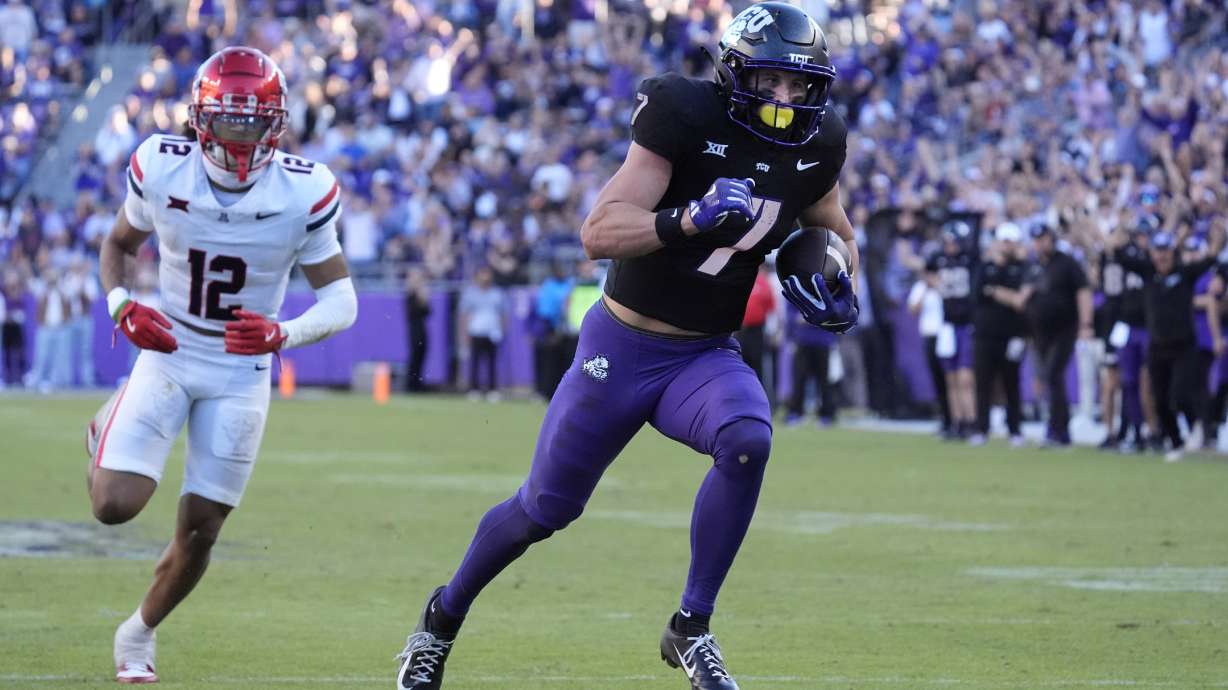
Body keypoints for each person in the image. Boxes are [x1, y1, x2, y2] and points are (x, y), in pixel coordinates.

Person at [394, 5, 860, 689]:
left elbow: (837, 232)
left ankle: (691, 627)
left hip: (703, 354)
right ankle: (440, 620)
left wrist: (841, 280)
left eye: (799, 86)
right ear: (735, 76)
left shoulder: (820, 146)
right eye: (769, 82)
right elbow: (600, 231)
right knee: (543, 510)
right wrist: (688, 219)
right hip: (621, 346)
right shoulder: (683, 113)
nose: (786, 101)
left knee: (747, 439)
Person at [86, 47, 357, 684]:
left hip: (243, 369)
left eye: (252, 120)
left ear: (277, 123)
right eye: (229, 119)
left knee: (202, 530)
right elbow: (117, 245)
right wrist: (122, 305)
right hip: (171, 352)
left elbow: (342, 299)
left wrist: (282, 333)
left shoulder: (304, 190)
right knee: (113, 505)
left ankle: (138, 634)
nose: (240, 134)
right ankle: (106, 423)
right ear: (201, 119)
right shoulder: (160, 166)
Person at [1112, 226, 1224, 461]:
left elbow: (1210, 260)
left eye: (1165, 251)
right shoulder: (1147, 272)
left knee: (1179, 395)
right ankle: (1175, 442)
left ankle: (1198, 427)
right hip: (1157, 346)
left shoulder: (1185, 273)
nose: (1161, 257)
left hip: (1183, 346)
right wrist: (1120, 235)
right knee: (1159, 399)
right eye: (1157, 251)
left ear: (1173, 253)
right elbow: (1120, 256)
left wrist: (1216, 239)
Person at [1025, 224, 1093, 448]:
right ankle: (1057, 428)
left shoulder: (1067, 263)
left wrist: (1085, 324)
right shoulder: (1035, 267)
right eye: (1035, 240)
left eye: (1042, 239)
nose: (1039, 244)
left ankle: (1059, 430)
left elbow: (1083, 291)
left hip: (1065, 328)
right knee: (1049, 378)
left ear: (1051, 239)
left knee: (1054, 374)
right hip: (1040, 332)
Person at [970, 223, 1031, 447]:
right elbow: (977, 295)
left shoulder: (1022, 268)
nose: (1007, 246)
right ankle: (981, 428)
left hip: (1012, 334)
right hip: (985, 334)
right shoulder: (984, 267)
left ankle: (1014, 429)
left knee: (1011, 383)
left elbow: (1020, 301)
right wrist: (1005, 295)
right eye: (1004, 241)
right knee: (983, 383)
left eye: (1010, 241)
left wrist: (995, 291)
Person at [925, 222, 977, 439]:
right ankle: (957, 423)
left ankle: (971, 422)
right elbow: (927, 270)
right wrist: (934, 283)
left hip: (966, 324)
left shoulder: (970, 261)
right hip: (947, 325)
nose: (949, 245)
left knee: (965, 378)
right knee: (951, 378)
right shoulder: (940, 259)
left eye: (953, 241)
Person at [458, 265, 505, 401]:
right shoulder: (470, 294)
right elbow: (464, 316)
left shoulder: (497, 293)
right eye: (482, 274)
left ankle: (492, 390)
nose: (485, 277)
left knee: (492, 362)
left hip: (492, 332)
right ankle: (474, 389)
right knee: (475, 362)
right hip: (476, 331)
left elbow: (503, 314)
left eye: (487, 274)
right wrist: (464, 334)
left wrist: (502, 330)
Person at [404, 266, 432, 392]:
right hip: (414, 328)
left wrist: (425, 300)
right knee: (415, 355)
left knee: (421, 355)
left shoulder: (421, 294)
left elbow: (428, 312)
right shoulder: (410, 294)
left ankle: (418, 383)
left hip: (422, 327)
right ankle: (411, 384)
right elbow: (413, 312)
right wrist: (422, 300)